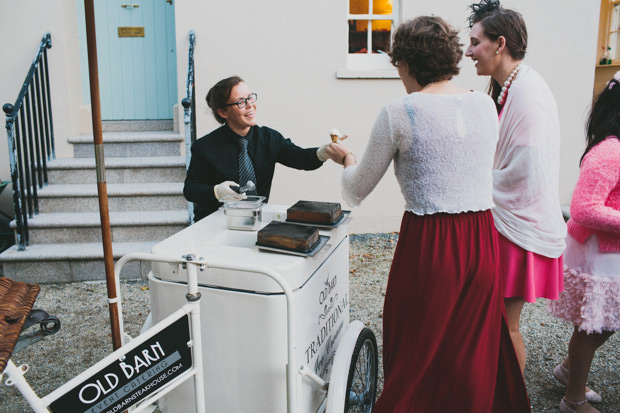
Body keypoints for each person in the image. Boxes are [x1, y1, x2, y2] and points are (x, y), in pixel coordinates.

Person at [339, 16, 530, 412]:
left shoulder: (400, 112)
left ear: (406, 63)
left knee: (415, 348)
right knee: (470, 351)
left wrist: (348, 160)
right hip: (481, 240)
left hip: (430, 242)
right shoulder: (483, 103)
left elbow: (357, 189)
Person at [466, 0, 567, 375]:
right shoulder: (510, 86)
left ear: (500, 43)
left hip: (515, 228)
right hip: (507, 223)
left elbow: (525, 170)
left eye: (476, 42)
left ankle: (509, 402)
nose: (468, 51)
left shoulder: (527, 93)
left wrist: (470, 180)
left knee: (505, 325)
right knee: (492, 323)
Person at [547, 73, 620, 413]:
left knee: (605, 323)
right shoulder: (609, 151)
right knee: (594, 326)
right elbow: (583, 208)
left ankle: (567, 371)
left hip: (609, 249)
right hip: (597, 252)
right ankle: (573, 400)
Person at [183, 76, 349, 221]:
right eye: (241, 102)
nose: (250, 105)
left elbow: (301, 158)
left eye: (250, 98)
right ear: (223, 112)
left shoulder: (269, 138)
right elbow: (190, 190)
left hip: (255, 220)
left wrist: (322, 152)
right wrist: (217, 192)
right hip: (213, 223)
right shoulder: (204, 147)